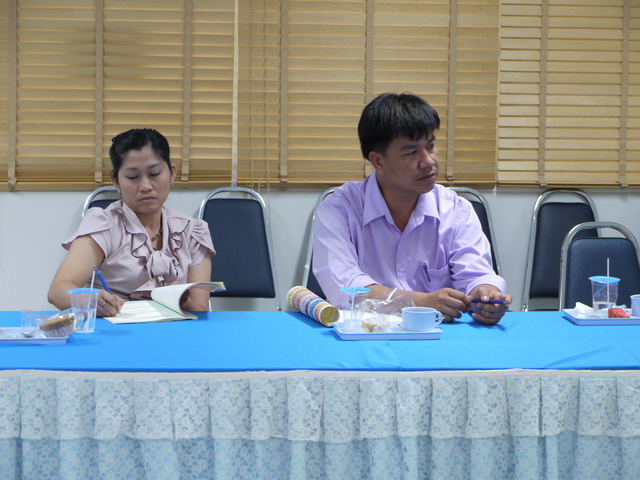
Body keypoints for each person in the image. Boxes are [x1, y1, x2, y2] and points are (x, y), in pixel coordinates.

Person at [313, 93, 512, 324]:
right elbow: (345, 288)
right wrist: (418, 302)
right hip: (368, 332)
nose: (428, 161)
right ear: (378, 161)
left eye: (430, 146)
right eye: (411, 152)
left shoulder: (456, 210)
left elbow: (476, 275)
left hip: (442, 335)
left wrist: (485, 294)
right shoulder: (339, 209)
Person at [48, 128, 214, 316]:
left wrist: (182, 300)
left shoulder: (192, 231)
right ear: (115, 181)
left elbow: (200, 310)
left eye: (155, 173)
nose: (146, 186)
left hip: (174, 331)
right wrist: (92, 301)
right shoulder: (105, 225)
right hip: (115, 329)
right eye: (133, 177)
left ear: (172, 173)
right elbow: (58, 291)